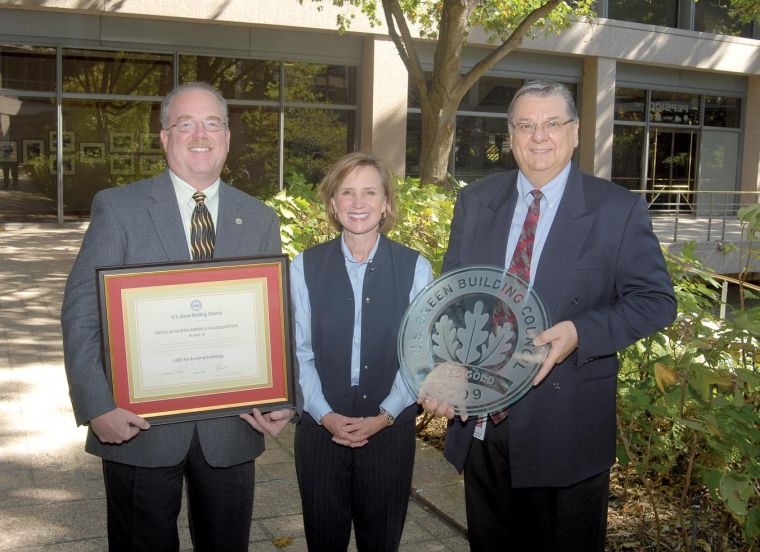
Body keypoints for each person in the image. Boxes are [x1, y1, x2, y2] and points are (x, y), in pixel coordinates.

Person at [420, 80, 677, 551]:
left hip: (565, 429)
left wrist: (582, 331)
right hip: (482, 425)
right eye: (525, 125)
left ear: (575, 132)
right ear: (511, 136)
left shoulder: (616, 210)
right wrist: (446, 362)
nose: (538, 136)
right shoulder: (475, 202)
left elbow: (656, 300)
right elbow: (452, 298)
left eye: (552, 123)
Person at [61, 81, 293, 552]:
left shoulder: (260, 218)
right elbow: (81, 312)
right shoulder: (119, 207)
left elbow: (275, 318)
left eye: (212, 123)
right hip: (136, 429)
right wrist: (97, 405)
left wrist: (285, 397)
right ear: (164, 138)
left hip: (231, 429)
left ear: (227, 138)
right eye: (184, 123)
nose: (199, 134)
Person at [289, 152, 433, 551]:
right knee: (324, 541)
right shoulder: (304, 266)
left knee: (382, 542)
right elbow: (299, 350)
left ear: (386, 203)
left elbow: (417, 355)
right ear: (332, 203)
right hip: (320, 433)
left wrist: (386, 415)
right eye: (346, 192)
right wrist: (324, 413)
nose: (358, 203)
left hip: (390, 433)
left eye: (370, 192)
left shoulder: (415, 268)